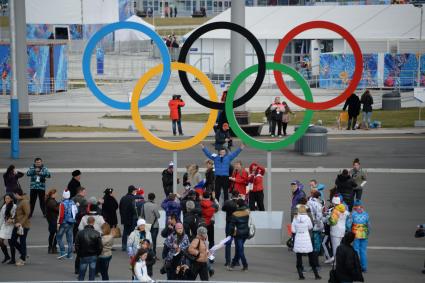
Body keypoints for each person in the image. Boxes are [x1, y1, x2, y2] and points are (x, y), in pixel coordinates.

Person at [291, 205, 321, 280]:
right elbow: (310, 227)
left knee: (299, 258)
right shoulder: (307, 218)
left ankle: (301, 275)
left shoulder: (295, 218)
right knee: (311, 257)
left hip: (298, 239)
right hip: (306, 238)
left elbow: (293, 230)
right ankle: (316, 275)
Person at [75, 216, 103, 281]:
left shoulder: (80, 233)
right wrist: (97, 254)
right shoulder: (97, 233)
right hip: (93, 255)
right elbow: (100, 246)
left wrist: (79, 254)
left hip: (83, 255)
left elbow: (76, 245)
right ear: (93, 222)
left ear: (87, 222)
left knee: (81, 273)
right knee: (92, 274)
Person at [347, 200, 370, 273]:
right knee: (363, 251)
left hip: (356, 234)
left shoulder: (353, 214)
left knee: (356, 250)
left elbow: (348, 225)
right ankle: (364, 267)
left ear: (354, 207)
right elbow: (369, 225)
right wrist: (367, 233)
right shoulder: (366, 214)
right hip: (364, 234)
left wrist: (349, 230)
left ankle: (356, 267)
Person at [9, 189, 31, 266]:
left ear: (17, 194)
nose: (14, 196)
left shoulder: (24, 201)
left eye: (14, 195)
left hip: (24, 226)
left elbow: (27, 213)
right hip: (17, 224)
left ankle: (23, 259)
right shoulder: (19, 200)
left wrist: (20, 223)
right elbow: (17, 212)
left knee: (22, 241)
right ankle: (23, 253)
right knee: (12, 240)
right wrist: (12, 219)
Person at [228, 198, 249, 271]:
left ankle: (245, 265)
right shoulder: (247, 211)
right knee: (239, 249)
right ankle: (233, 264)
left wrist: (230, 234)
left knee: (240, 250)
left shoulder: (235, 214)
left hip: (238, 234)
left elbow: (231, 226)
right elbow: (247, 206)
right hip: (245, 232)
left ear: (237, 205)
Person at [327, 196, 350, 263]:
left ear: (334, 203)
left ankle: (337, 263)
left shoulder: (335, 211)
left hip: (335, 231)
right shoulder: (345, 211)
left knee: (335, 248)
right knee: (341, 247)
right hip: (342, 231)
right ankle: (342, 261)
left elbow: (332, 222)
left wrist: (328, 219)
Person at [57, 190, 77, 259]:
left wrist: (59, 222)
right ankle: (70, 255)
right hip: (71, 222)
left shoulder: (62, 203)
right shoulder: (72, 202)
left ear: (63, 195)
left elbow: (61, 215)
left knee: (59, 237)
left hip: (64, 223)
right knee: (69, 239)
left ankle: (62, 251)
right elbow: (76, 211)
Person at [307, 190, 324, 265]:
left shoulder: (309, 202)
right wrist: (320, 226)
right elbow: (319, 216)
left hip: (309, 226)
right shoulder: (317, 204)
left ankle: (311, 261)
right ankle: (315, 263)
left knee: (311, 244)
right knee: (317, 245)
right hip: (316, 227)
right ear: (319, 197)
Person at [222, 191, 239, 267]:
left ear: (232, 196)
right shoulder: (240, 203)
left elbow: (223, 209)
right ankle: (237, 261)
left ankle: (227, 261)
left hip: (229, 224)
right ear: (238, 195)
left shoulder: (227, 202)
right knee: (237, 243)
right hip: (237, 225)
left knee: (228, 243)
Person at [119, 185, 138, 252]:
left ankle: (124, 246)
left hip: (124, 218)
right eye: (135, 190)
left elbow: (120, 207)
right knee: (132, 233)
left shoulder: (123, 198)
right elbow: (134, 209)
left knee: (125, 232)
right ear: (132, 191)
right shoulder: (133, 198)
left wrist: (122, 215)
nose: (135, 191)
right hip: (132, 218)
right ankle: (131, 246)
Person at [142, 193, 160, 257]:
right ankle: (153, 254)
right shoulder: (154, 205)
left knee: (147, 240)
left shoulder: (144, 205)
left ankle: (146, 253)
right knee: (154, 240)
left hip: (147, 225)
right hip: (154, 225)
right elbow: (158, 216)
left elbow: (142, 215)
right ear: (154, 198)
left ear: (148, 197)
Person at [0, 193, 16, 263]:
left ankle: (13, 259)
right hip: (4, 225)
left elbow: (17, 217)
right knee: (0, 241)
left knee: (11, 242)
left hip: (11, 226)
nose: (6, 200)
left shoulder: (14, 206)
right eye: (5, 198)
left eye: (8, 198)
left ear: (11, 199)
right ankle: (7, 256)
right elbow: (1, 218)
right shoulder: (3, 206)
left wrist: (12, 220)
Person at [45, 188, 59, 254]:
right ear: (52, 194)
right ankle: (53, 247)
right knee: (57, 233)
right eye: (56, 193)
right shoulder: (51, 201)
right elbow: (57, 209)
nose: (56, 194)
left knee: (52, 234)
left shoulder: (50, 200)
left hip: (51, 220)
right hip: (53, 220)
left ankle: (51, 247)